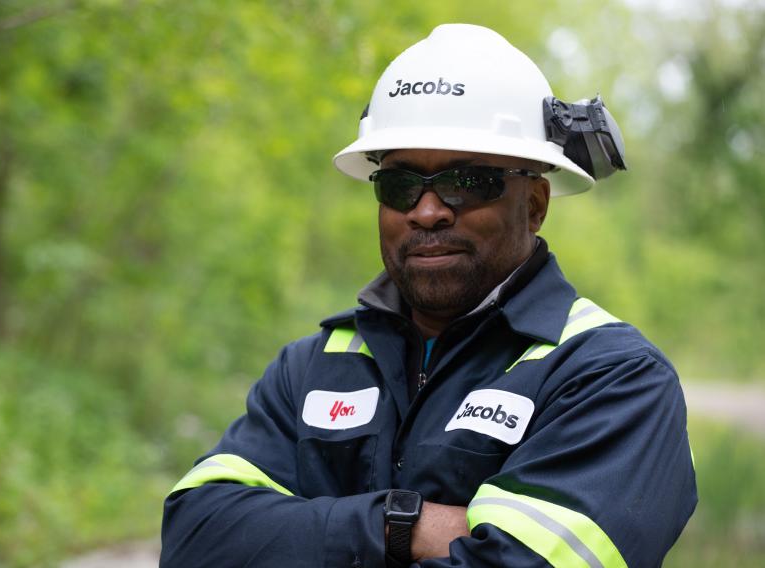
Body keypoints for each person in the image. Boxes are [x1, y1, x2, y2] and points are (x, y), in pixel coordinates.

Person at [160, 24, 697, 567]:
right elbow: (196, 537)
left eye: (467, 182)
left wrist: (309, 533)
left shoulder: (611, 378)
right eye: (400, 185)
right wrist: (401, 523)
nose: (427, 210)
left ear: (534, 203)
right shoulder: (310, 369)